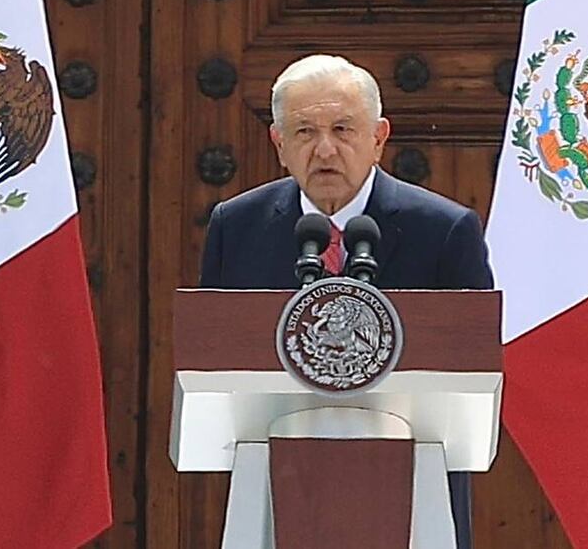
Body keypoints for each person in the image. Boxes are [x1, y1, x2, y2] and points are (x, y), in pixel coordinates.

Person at [199, 54, 493, 548]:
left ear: (379, 138)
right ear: (279, 145)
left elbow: (476, 367)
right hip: (277, 483)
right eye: (304, 133)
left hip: (412, 488)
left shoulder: (443, 231)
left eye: (343, 129)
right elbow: (211, 357)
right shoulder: (237, 227)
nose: (325, 150)